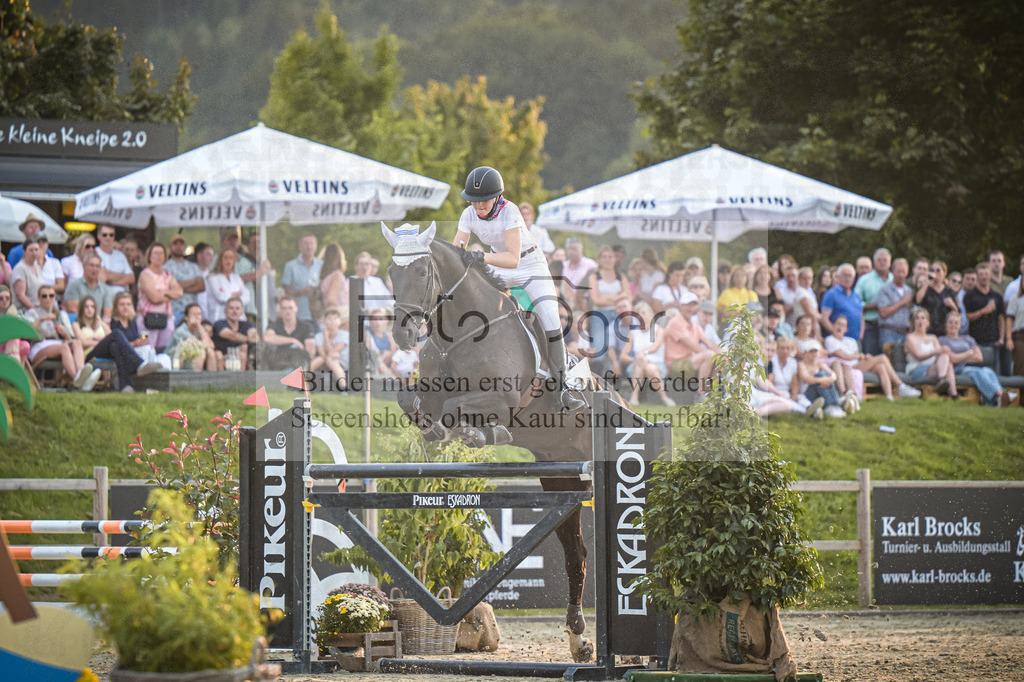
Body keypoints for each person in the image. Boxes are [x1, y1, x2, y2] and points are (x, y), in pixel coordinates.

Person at [453, 166, 584, 411]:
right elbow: (458, 248)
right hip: (498, 263)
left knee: (550, 319)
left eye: (483, 200)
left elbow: (513, 259)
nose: (478, 206)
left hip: (530, 265)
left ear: (496, 197)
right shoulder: (468, 214)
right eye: (474, 200)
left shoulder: (510, 211)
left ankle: (563, 388)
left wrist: (481, 257)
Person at [825, 315, 919, 403]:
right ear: (833, 325)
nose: (840, 327)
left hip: (858, 363)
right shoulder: (830, 339)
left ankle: (889, 397)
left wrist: (865, 357)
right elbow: (842, 356)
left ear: (846, 329)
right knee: (882, 358)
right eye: (838, 324)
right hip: (847, 366)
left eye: (843, 325)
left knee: (881, 366)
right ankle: (901, 386)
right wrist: (858, 356)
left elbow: (857, 356)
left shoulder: (851, 341)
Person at [88, 293, 163, 392]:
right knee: (116, 333)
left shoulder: (132, 322)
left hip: (115, 351)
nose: (125, 307)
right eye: (122, 304)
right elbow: (109, 338)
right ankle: (139, 364)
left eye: (128, 304)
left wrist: (139, 342)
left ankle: (126, 386)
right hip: (101, 350)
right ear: (115, 307)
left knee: (115, 347)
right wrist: (133, 344)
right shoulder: (111, 321)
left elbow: (128, 343)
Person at [23, 284, 94, 389]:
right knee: (64, 347)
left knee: (77, 343)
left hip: (59, 343)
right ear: (39, 298)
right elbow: (26, 332)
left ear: (55, 297)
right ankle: (79, 380)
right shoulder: (32, 312)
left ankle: (80, 374)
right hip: (40, 344)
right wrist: (41, 319)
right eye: (44, 296)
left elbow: (70, 338)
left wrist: (65, 333)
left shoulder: (61, 314)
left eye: (51, 296)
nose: (48, 299)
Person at [939, 311, 1011, 407]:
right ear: (946, 324)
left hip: (971, 367)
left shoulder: (968, 339)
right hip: (956, 369)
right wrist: (968, 353)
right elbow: (951, 359)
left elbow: (979, 357)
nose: (953, 325)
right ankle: (999, 395)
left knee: (988, 370)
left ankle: (999, 396)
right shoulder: (942, 340)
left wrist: (960, 357)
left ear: (960, 325)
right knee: (976, 372)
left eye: (956, 323)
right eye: (950, 322)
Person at [664, 291, 720, 394]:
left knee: (719, 356)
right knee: (709, 355)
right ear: (681, 306)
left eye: (693, 305)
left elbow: (708, 342)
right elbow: (693, 346)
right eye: (687, 305)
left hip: (690, 362)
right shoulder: (675, 322)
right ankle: (701, 394)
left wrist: (722, 353)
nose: (690, 308)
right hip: (675, 366)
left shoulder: (694, 325)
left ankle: (714, 393)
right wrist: (715, 354)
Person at [619, 301, 673, 406]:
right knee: (643, 362)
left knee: (650, 368)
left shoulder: (659, 330)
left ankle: (634, 397)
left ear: (651, 314)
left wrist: (643, 353)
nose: (643, 316)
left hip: (657, 365)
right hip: (637, 366)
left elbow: (656, 346)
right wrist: (636, 359)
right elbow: (623, 355)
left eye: (645, 312)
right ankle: (665, 398)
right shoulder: (633, 333)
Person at [585, 245, 630, 366]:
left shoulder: (621, 277)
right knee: (598, 349)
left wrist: (605, 298)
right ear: (599, 259)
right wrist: (617, 298)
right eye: (604, 257)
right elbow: (596, 300)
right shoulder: (594, 277)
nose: (607, 259)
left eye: (610, 257)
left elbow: (627, 297)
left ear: (614, 259)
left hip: (617, 315)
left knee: (616, 347)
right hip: (599, 316)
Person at [963, 262, 1009, 376]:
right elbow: (967, 317)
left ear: (990, 276)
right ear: (977, 276)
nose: (984, 277)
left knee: (994, 373)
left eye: (986, 274)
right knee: (977, 373)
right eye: (981, 274)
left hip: (994, 341)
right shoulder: (969, 296)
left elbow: (1001, 318)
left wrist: (1001, 338)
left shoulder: (997, 296)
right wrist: (982, 312)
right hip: (975, 342)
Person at [136, 243, 183, 350]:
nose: (159, 256)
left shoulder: (167, 275)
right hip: (147, 319)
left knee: (165, 350)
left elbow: (179, 292)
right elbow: (154, 298)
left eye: (161, 253)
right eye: (155, 253)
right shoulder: (145, 275)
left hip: (166, 318)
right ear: (149, 256)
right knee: (147, 350)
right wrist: (170, 295)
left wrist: (163, 292)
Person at [905, 308, 959, 399]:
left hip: (933, 368)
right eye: (917, 318)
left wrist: (944, 350)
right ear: (914, 322)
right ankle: (948, 388)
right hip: (917, 368)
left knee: (947, 361)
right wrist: (936, 351)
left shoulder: (933, 338)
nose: (920, 321)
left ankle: (952, 392)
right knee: (947, 364)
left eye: (923, 318)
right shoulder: (910, 338)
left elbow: (940, 354)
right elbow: (918, 356)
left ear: (928, 323)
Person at [854, 247, 892, 356]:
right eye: (879, 260)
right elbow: (855, 303)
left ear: (890, 263)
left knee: (889, 358)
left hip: (890, 327)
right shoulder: (864, 280)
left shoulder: (894, 280)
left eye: (885, 260)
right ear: (874, 263)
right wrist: (873, 306)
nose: (882, 262)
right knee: (870, 357)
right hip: (870, 325)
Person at [795, 339, 846, 419]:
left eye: (815, 351)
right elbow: (806, 379)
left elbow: (833, 375)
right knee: (821, 375)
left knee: (825, 375)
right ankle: (831, 406)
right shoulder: (801, 364)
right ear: (805, 353)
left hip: (820, 391)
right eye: (811, 352)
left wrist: (828, 379)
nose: (814, 354)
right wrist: (822, 380)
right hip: (806, 394)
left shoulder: (819, 364)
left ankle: (835, 406)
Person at [163, 235, 206, 325]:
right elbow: (168, 287)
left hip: (193, 312)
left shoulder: (194, 266)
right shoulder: (165, 267)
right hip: (174, 311)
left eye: (181, 244)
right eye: (175, 244)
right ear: (170, 247)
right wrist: (193, 282)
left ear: (185, 247)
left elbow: (201, 286)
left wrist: (178, 288)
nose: (178, 247)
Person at [282, 234, 323, 323]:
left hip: (319, 316)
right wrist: (301, 292)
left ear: (316, 247)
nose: (309, 247)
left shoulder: (321, 265)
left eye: (312, 243)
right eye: (306, 244)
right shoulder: (290, 266)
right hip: (298, 316)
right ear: (300, 247)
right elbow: (286, 292)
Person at [263, 296, 316, 363]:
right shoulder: (275, 325)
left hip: (299, 363)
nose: (288, 311)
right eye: (284, 308)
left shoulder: (306, 326)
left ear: (296, 308)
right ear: (280, 310)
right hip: (279, 363)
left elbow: (310, 352)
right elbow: (267, 338)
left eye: (290, 308)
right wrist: (293, 340)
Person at [166, 302, 217, 371]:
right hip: (174, 360)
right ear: (186, 317)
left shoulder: (201, 329)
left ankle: (213, 378)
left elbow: (211, 346)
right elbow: (195, 346)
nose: (197, 317)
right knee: (199, 354)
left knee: (211, 352)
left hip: (188, 357)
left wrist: (199, 327)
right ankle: (196, 378)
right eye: (194, 314)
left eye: (199, 314)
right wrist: (199, 326)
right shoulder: (181, 331)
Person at [212, 297, 259, 370]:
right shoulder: (219, 323)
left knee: (245, 348)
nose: (234, 311)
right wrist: (248, 339)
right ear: (225, 311)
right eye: (231, 308)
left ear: (242, 312)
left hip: (242, 360)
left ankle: (245, 375)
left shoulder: (247, 325)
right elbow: (230, 335)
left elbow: (255, 337)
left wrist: (250, 338)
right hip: (221, 360)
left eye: (237, 308)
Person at [877, 257, 914, 350]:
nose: (901, 275)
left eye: (903, 272)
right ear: (893, 272)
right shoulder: (884, 290)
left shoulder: (909, 291)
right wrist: (902, 302)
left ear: (907, 273)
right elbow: (883, 313)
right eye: (899, 271)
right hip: (889, 332)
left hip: (905, 333)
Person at [913, 260, 957, 336]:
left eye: (938, 270)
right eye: (932, 270)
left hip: (944, 332)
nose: (935, 272)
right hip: (928, 331)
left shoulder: (949, 291)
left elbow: (956, 313)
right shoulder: (926, 288)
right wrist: (926, 284)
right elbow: (918, 301)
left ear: (945, 273)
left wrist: (952, 305)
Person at [820, 263, 863, 341]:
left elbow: (861, 316)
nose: (847, 278)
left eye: (850, 276)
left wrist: (861, 335)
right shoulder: (831, 294)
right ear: (838, 277)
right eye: (845, 275)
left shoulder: (856, 295)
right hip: (838, 341)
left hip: (855, 341)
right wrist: (836, 334)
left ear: (853, 278)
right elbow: (824, 318)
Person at [64, 254, 113, 320]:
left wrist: (103, 324)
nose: (94, 269)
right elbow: (73, 311)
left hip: (99, 324)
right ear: (83, 266)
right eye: (91, 265)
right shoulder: (74, 285)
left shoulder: (105, 289)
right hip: (79, 323)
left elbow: (107, 314)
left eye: (97, 266)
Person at [206, 248, 248, 322]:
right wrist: (235, 295)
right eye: (225, 258)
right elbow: (221, 296)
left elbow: (246, 296)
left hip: (238, 317)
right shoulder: (212, 277)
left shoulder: (236, 277)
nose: (228, 261)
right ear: (220, 260)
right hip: (219, 317)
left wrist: (230, 295)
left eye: (231, 258)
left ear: (234, 261)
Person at [311, 307, 348, 387]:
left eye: (335, 318)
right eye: (329, 319)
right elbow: (322, 353)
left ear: (340, 321)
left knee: (332, 360)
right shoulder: (318, 336)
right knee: (319, 359)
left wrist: (326, 337)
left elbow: (333, 351)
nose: (332, 322)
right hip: (325, 361)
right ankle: (303, 381)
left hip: (342, 363)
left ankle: (343, 387)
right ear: (324, 321)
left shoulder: (344, 334)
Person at [94, 224, 135, 296]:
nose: (108, 237)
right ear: (98, 236)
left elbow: (131, 278)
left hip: (122, 297)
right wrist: (123, 277)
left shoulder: (120, 255)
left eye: (111, 235)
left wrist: (110, 280)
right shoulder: (95, 253)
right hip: (104, 297)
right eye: (104, 235)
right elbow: (103, 277)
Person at [11, 239, 46, 311]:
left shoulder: (37, 267)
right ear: (24, 251)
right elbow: (20, 295)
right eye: (31, 250)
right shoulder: (20, 269)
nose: (34, 253)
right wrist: (34, 309)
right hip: (25, 311)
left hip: (39, 308)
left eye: (36, 250)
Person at [318, 244, 350, 322]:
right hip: (339, 313)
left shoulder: (323, 276)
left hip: (325, 312)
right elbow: (331, 299)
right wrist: (337, 318)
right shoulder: (337, 276)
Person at [0, 285, 31, 363]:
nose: (4, 301)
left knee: (25, 345)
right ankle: (13, 362)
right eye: (1, 298)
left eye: (7, 298)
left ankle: (17, 365)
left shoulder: (15, 314)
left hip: (10, 344)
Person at [365, 306, 396, 378]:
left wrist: (386, 355)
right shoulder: (368, 335)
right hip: (375, 367)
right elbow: (368, 353)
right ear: (371, 321)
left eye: (381, 319)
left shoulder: (390, 336)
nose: (378, 322)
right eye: (375, 319)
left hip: (389, 366)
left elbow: (394, 352)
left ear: (386, 321)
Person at [193, 242, 216, 322]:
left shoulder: (214, 277)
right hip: (195, 317)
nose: (211, 258)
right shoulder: (190, 276)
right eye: (208, 254)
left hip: (211, 319)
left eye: (212, 255)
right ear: (199, 256)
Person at [1006, 276, 1024, 378]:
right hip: (1019, 336)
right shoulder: (1015, 299)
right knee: (1020, 366)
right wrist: (1009, 338)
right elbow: (1009, 319)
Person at [792, 266, 820, 330]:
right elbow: (810, 313)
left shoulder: (809, 291)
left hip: (813, 323)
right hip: (805, 326)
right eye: (804, 278)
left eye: (809, 278)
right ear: (799, 279)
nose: (807, 281)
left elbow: (815, 310)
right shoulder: (800, 292)